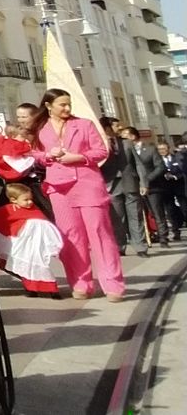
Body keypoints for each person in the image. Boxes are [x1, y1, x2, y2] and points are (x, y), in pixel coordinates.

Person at [30, 89, 124, 301]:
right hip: (59, 187)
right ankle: (81, 283)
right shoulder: (41, 129)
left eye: (68, 104)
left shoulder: (84, 124)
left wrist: (78, 157)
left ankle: (113, 284)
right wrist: (46, 155)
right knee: (71, 237)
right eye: (62, 104)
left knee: (100, 233)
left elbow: (101, 151)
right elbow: (33, 153)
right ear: (48, 105)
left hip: (87, 184)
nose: (67, 108)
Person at [0, 183, 65, 298]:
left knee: (40, 264)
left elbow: (44, 224)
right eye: (26, 200)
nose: (30, 202)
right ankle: (32, 289)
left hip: (35, 244)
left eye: (30, 199)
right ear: (13, 200)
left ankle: (52, 290)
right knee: (25, 266)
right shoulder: (9, 209)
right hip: (22, 246)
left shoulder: (34, 210)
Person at [101, 117, 147, 256]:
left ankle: (140, 246)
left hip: (130, 182)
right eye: (116, 126)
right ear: (108, 128)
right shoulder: (99, 143)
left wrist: (143, 182)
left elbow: (138, 164)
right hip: (111, 184)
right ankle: (120, 246)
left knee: (135, 215)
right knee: (117, 218)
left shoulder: (127, 143)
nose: (120, 128)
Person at [120, 125, 170, 247]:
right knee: (138, 214)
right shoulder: (124, 151)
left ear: (132, 136)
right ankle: (146, 236)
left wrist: (146, 180)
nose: (123, 139)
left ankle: (163, 237)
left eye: (125, 136)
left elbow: (160, 167)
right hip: (134, 186)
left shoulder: (150, 149)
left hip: (152, 187)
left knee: (157, 213)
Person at [158, 141, 185, 241]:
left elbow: (183, 170)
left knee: (184, 208)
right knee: (170, 211)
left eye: (164, 149)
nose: (162, 151)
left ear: (168, 148)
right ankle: (176, 231)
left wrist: (174, 176)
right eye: (160, 149)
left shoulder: (176, 158)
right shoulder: (158, 160)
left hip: (178, 186)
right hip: (165, 188)